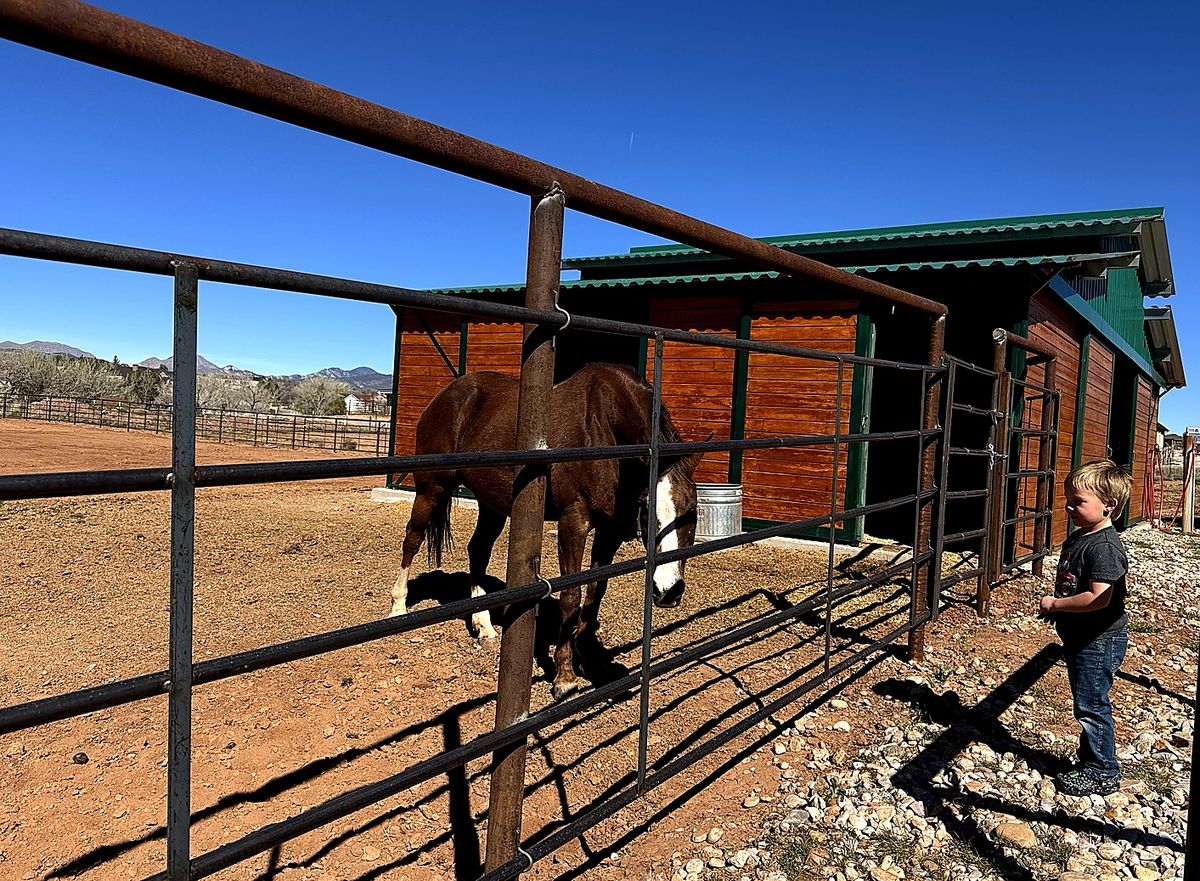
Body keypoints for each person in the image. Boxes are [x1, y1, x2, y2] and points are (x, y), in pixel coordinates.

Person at [1038, 459, 1132, 797]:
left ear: (1109, 505)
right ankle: (1091, 759)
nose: (1069, 506)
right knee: (1086, 701)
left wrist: (1056, 604)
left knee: (1092, 704)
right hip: (1082, 636)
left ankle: (1103, 770)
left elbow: (1098, 598)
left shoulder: (1105, 547)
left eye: (1079, 501)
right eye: (1068, 499)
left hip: (1098, 639)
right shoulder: (1083, 537)